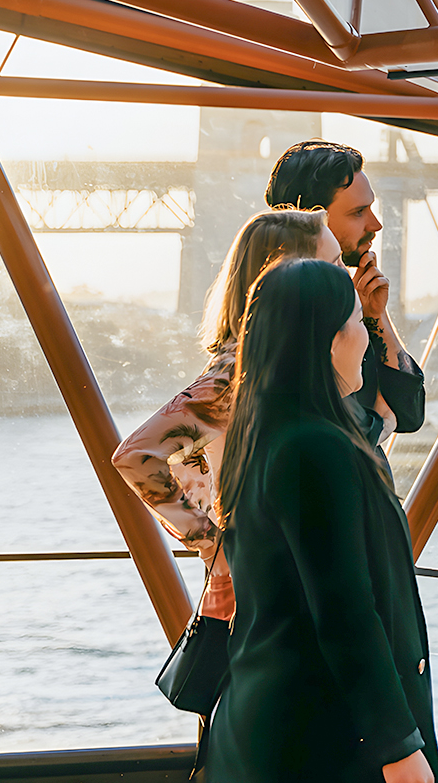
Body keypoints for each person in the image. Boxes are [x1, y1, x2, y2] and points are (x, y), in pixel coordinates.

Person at [208, 257, 438, 783]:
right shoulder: (314, 447)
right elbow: (345, 610)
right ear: (329, 340)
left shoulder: (265, 433)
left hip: (272, 724)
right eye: (359, 322)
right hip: (323, 735)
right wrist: (399, 748)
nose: (367, 337)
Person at [113, 208, 338, 619]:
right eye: (334, 264)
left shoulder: (272, 363)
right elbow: (135, 457)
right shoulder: (239, 372)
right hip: (253, 594)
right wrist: (214, 547)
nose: (344, 277)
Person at [266, 139, 422, 453]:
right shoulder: (282, 316)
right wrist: (379, 421)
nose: (376, 224)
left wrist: (375, 314)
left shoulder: (348, 305)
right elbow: (321, 436)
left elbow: (409, 413)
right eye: (358, 212)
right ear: (310, 219)